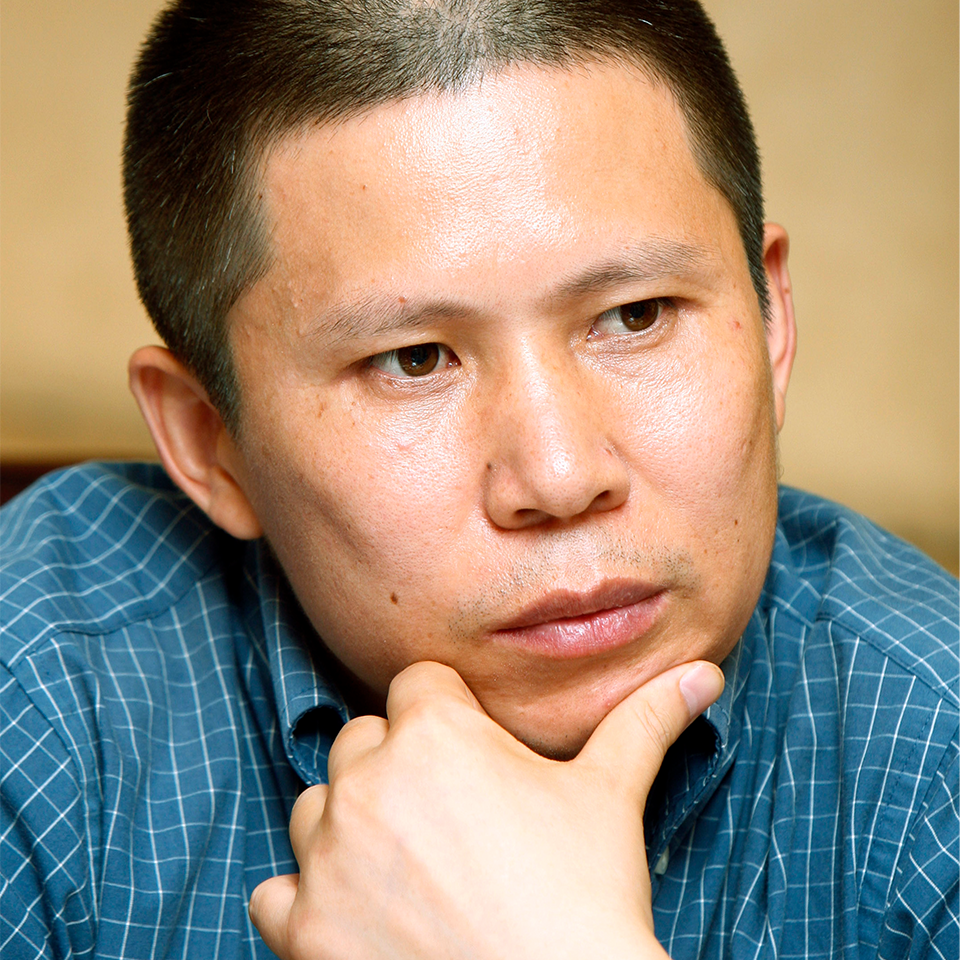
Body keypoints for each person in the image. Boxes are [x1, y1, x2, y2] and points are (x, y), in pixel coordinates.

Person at [1, 0, 956, 957]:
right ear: (211, 442)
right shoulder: (40, 712)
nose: (559, 474)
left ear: (771, 318)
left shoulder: (933, 750)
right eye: (414, 359)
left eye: (636, 315)